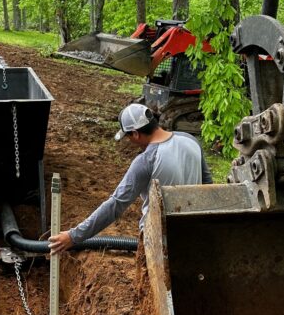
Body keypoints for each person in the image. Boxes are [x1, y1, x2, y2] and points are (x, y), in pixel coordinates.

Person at [49, 102, 213, 253]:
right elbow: (207, 185)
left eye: (128, 136)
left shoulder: (147, 160)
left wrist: (73, 236)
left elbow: (115, 205)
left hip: (159, 241)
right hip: (194, 233)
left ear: (135, 134)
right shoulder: (190, 140)